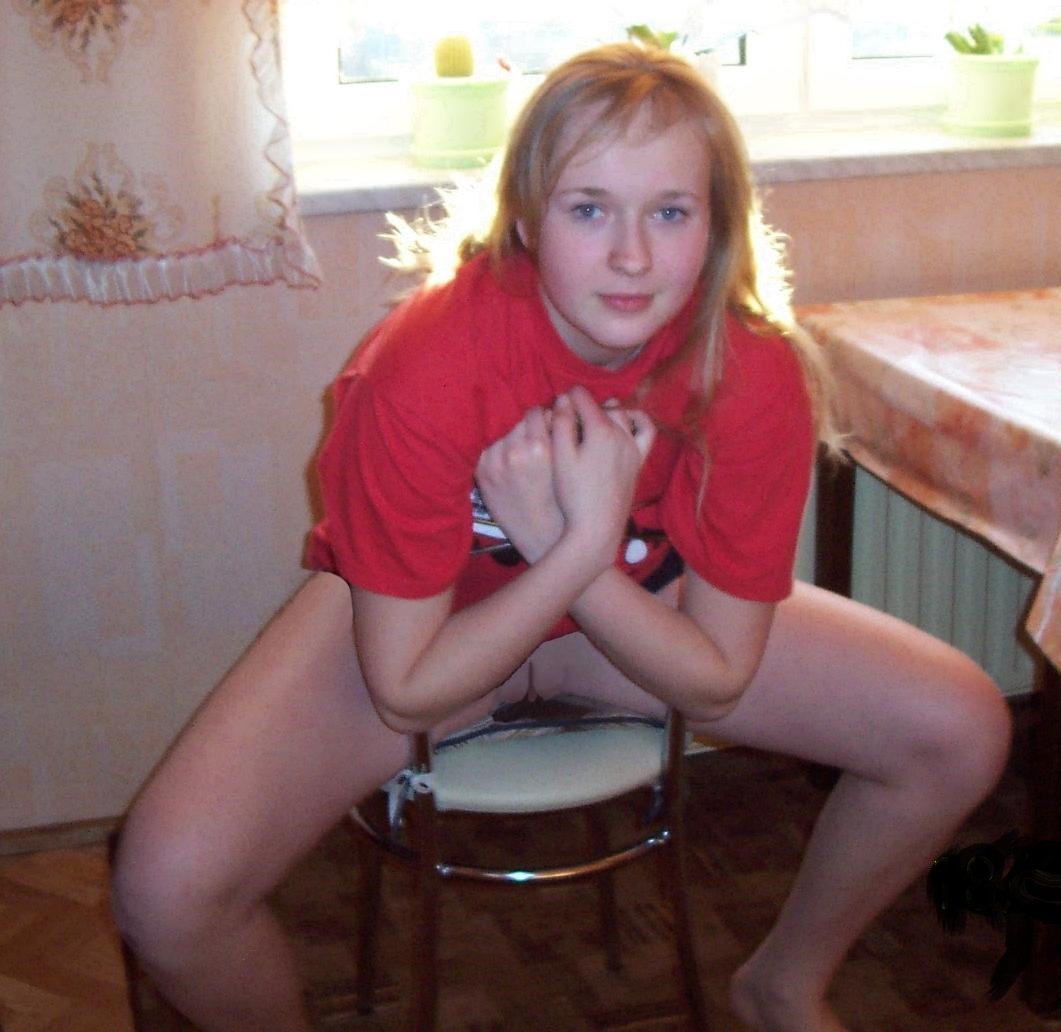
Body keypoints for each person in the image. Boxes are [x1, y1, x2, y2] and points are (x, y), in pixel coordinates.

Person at [110, 41, 1012, 1032]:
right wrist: (576, 547)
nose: (633, 257)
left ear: (716, 224)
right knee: (167, 892)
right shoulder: (423, 365)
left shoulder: (748, 369)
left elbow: (715, 681)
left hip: (628, 616)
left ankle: (783, 984)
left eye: (670, 212)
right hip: (429, 625)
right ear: (528, 218)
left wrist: (563, 548)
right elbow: (404, 685)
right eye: (589, 210)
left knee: (959, 730)